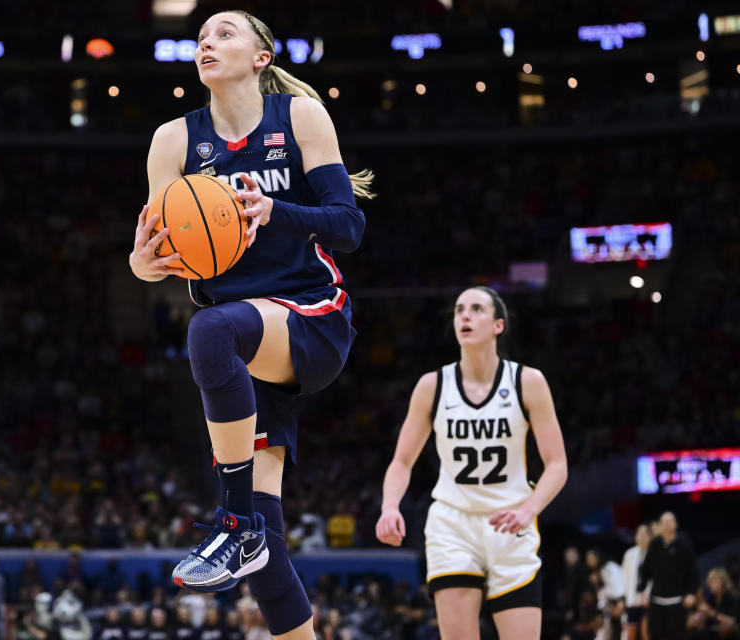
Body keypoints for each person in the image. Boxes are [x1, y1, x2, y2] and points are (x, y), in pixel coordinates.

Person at [129, 8, 372, 640]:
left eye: (225, 33)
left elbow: (349, 227)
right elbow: (162, 255)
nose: (208, 42)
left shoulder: (299, 119)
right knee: (268, 538)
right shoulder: (173, 141)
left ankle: (231, 525)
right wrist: (141, 263)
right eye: (202, 36)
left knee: (209, 332)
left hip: (309, 315)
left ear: (261, 57)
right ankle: (250, 536)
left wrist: (275, 209)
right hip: (243, 340)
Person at [375, 287, 569, 640]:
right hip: (453, 524)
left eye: (476, 309)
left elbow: (557, 464)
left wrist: (528, 510)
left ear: (498, 325)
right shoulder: (432, 386)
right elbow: (402, 461)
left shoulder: (528, 382)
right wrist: (390, 506)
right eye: (459, 309)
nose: (464, 315)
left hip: (511, 522)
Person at [637, 511, 699, 640]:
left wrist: (691, 593)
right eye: (663, 522)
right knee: (654, 634)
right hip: (656, 600)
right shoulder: (655, 545)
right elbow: (645, 569)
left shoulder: (684, 545)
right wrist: (641, 590)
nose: (665, 525)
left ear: (675, 525)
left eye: (669, 522)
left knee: (677, 635)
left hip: (678, 601)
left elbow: (693, 571)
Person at [688, 567, 739, 640]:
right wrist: (696, 618)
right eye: (709, 581)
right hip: (714, 633)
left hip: (731, 634)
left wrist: (711, 612)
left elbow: (732, 622)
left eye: (713, 581)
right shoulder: (711, 598)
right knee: (696, 634)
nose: (710, 584)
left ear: (722, 582)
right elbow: (701, 617)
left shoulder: (732, 597)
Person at [621, 524, 652, 640]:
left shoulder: (654, 554)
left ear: (650, 537)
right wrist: (623, 598)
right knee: (631, 633)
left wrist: (649, 596)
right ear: (635, 537)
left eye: (645, 534)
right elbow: (623, 577)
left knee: (646, 633)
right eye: (639, 534)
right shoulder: (629, 554)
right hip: (632, 600)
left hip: (649, 601)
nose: (642, 537)